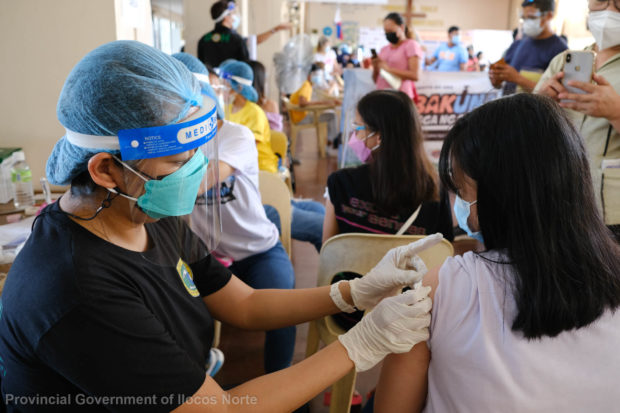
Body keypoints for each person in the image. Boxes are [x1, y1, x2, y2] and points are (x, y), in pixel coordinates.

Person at [0, 40, 436, 412]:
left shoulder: (146, 214)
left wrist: (352, 291)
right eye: (177, 161)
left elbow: (244, 303)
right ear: (105, 170)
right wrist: (363, 342)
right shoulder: (75, 290)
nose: (196, 169)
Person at [372, 94, 620, 412]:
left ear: (503, 196)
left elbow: (392, 408)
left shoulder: (441, 289)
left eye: (461, 192)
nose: (458, 207)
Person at [173, 52, 296, 374]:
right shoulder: (169, 142)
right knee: (173, 316)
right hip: (200, 258)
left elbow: (199, 184)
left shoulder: (235, 136)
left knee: (283, 313)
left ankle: (283, 389)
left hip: (257, 250)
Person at [535, 0, 620, 240]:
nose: (608, 12)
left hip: (612, 213)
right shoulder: (564, 61)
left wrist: (616, 112)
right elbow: (526, 130)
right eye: (600, 1)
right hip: (557, 202)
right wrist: (542, 104)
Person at [323, 90, 454, 243]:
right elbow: (443, 251)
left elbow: (328, 255)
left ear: (379, 137)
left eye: (358, 128)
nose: (354, 136)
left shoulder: (341, 184)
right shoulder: (435, 191)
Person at [247, 59, 327, 253]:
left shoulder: (250, 113)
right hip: (262, 181)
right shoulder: (252, 113)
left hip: (266, 175)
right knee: (323, 224)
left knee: (320, 210)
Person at [489, 0, 567, 94]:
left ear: (549, 16)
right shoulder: (518, 44)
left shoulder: (560, 50)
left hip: (534, 108)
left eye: (532, 17)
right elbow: (503, 79)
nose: (527, 22)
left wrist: (518, 79)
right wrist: (496, 80)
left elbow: (557, 94)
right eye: (524, 18)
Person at [219, 59, 279, 174]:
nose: (222, 90)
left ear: (239, 88)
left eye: (225, 85)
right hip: (237, 164)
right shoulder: (227, 109)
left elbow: (247, 147)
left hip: (260, 168)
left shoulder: (255, 113)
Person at [372, 12, 424, 102]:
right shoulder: (384, 49)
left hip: (400, 97)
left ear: (402, 27)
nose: (388, 34)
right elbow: (376, 79)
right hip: (382, 94)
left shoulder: (411, 45)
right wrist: (375, 67)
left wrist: (388, 69)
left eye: (391, 31)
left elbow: (415, 75)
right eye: (386, 32)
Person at [289, 63, 341, 148]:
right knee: (332, 116)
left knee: (329, 115)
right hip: (301, 118)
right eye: (316, 75)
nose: (318, 78)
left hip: (299, 116)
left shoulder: (306, 84)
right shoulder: (306, 85)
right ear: (309, 75)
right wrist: (323, 103)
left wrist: (325, 102)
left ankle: (330, 140)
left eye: (320, 75)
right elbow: (302, 102)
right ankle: (334, 140)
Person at [198, 1, 248, 68]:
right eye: (233, 13)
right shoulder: (237, 39)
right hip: (230, 78)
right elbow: (245, 67)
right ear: (226, 16)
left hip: (210, 77)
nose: (235, 17)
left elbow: (200, 66)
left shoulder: (204, 39)